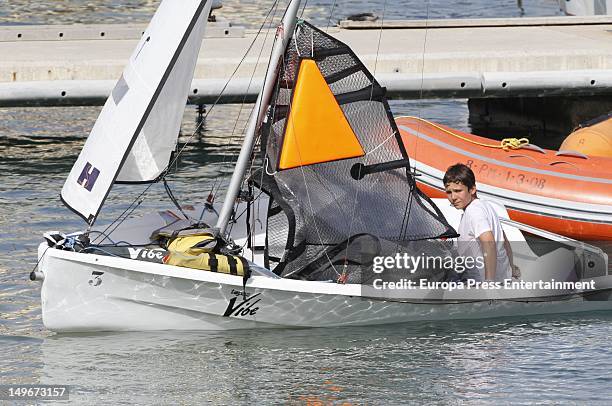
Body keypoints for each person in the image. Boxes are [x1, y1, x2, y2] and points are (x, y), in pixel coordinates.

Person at [443, 163, 520, 282]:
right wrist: (511, 269)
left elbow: (488, 243)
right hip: (501, 277)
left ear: (472, 189)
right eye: (449, 192)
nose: (453, 197)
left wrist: (489, 283)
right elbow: (504, 241)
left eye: (458, 191)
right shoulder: (485, 206)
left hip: (479, 280)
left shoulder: (474, 212)